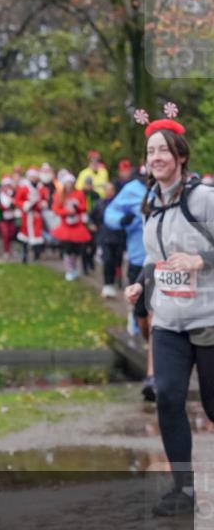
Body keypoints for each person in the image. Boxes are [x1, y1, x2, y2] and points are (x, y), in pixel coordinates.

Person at [124, 104, 214, 516]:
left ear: (180, 157)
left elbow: (199, 256)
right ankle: (184, 490)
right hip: (169, 323)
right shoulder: (151, 204)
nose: (155, 158)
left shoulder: (204, 199)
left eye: (163, 151)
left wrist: (202, 261)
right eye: (150, 152)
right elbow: (155, 257)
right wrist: (141, 283)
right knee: (168, 397)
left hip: (209, 321)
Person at [106, 156, 154, 399]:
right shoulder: (132, 190)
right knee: (144, 319)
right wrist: (120, 220)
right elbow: (110, 213)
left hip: (167, 264)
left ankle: (154, 374)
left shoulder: (178, 187)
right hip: (139, 260)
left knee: (159, 319)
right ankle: (141, 329)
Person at [92, 182, 124, 298]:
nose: (109, 192)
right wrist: (94, 226)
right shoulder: (99, 204)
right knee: (107, 260)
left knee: (117, 260)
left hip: (118, 236)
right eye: (107, 189)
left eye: (111, 189)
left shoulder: (119, 204)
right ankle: (107, 284)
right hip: (104, 236)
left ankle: (116, 279)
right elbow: (92, 217)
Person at [0, 177, 19, 258]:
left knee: (12, 233)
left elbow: (16, 203)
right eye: (5, 186)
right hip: (3, 218)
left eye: (8, 186)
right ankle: (6, 251)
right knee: (5, 234)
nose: (7, 187)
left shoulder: (13, 194)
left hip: (11, 217)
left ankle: (12, 249)